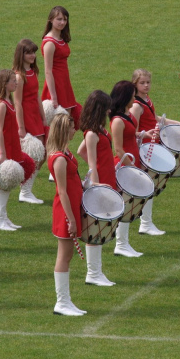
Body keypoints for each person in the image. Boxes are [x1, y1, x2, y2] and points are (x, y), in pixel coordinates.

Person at [130, 68, 180, 235]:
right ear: (135, 84)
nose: (146, 85)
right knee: (148, 187)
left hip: (152, 148)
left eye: (148, 82)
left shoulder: (146, 100)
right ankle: (145, 224)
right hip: (146, 151)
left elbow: (155, 119)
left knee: (150, 187)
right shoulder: (136, 106)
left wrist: (176, 123)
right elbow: (132, 131)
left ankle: (147, 222)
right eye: (142, 83)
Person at [47, 113, 86, 316]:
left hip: (71, 209)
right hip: (65, 212)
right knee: (64, 256)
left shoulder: (66, 153)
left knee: (68, 255)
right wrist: (70, 218)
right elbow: (62, 191)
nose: (74, 130)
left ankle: (66, 300)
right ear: (63, 130)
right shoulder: (59, 159)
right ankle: (61, 302)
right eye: (71, 127)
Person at [77, 90, 116, 286]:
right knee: (96, 229)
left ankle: (97, 272)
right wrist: (98, 185)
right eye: (106, 107)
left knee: (100, 228)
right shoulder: (92, 134)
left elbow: (79, 150)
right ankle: (93, 273)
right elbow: (90, 161)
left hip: (107, 178)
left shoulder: (98, 129)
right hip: (101, 182)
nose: (110, 110)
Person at [110, 80, 153, 257]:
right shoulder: (117, 120)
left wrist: (141, 134)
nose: (135, 98)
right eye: (132, 95)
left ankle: (124, 243)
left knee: (129, 205)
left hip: (131, 164)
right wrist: (132, 168)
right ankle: (121, 244)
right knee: (125, 205)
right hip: (125, 167)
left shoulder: (125, 115)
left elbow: (129, 134)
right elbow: (118, 149)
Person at [13, 38, 46, 205]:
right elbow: (17, 102)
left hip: (35, 115)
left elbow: (37, 96)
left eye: (34, 52)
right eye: (28, 53)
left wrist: (43, 116)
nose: (33, 55)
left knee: (41, 154)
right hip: (26, 117)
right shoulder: (18, 77)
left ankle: (26, 189)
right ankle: (25, 191)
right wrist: (21, 127)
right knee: (35, 154)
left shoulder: (32, 72)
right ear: (21, 54)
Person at [0, 69, 23, 231]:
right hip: (4, 147)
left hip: (11, 144)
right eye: (12, 81)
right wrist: (2, 153)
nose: (16, 83)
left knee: (7, 183)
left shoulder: (8, 101)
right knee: (3, 182)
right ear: (4, 83)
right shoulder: (2, 104)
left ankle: (3, 216)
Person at [41, 6, 81, 128]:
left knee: (67, 121)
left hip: (64, 83)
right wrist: (53, 97)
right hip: (56, 84)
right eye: (59, 19)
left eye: (64, 19)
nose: (62, 22)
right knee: (61, 123)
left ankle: (64, 147)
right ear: (51, 20)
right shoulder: (50, 43)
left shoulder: (60, 38)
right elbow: (48, 71)